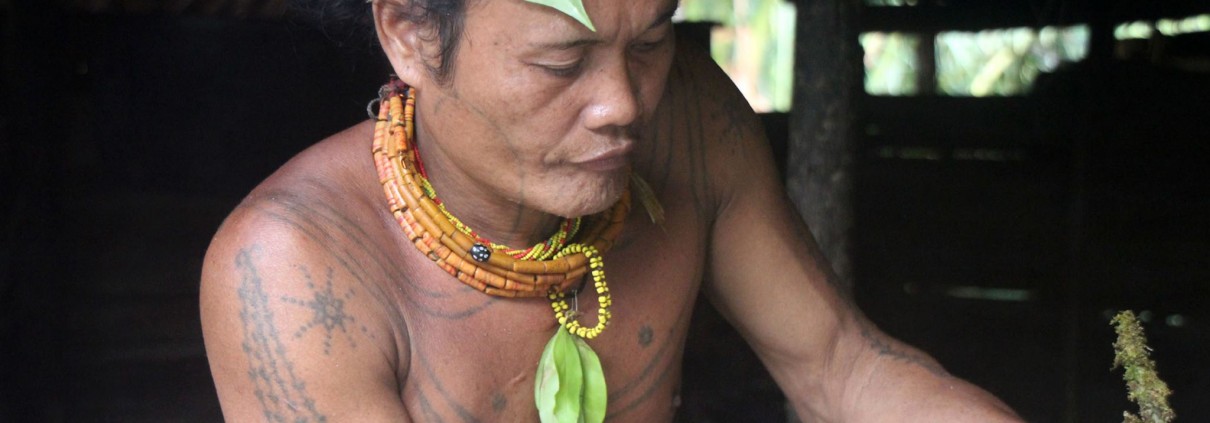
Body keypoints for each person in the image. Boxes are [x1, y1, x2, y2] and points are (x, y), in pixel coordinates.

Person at [200, 0, 1024, 421]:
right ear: (411, 33)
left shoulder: (690, 124)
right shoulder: (291, 270)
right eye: (563, 62)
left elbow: (843, 368)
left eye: (651, 44)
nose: (623, 104)